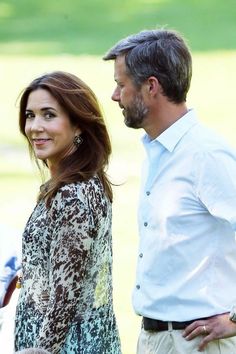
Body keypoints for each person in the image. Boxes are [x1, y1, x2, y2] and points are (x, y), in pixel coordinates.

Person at [103, 29, 236, 353]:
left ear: (151, 87)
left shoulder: (206, 155)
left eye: (121, 84)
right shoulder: (157, 150)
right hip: (154, 338)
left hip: (199, 342)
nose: (115, 96)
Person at [14, 71, 121, 354]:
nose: (35, 126)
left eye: (49, 115)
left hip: (67, 347)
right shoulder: (85, 182)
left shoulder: (72, 195)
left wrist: (39, 350)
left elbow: (65, 300)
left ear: (78, 125)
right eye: (30, 115)